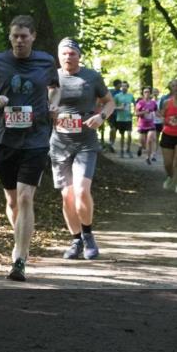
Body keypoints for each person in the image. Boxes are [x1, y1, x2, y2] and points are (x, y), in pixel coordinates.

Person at [0, 15, 58, 282]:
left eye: (24, 36)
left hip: (36, 139)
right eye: (15, 36)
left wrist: (53, 104)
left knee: (25, 198)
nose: (19, 40)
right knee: (12, 201)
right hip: (5, 140)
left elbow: (54, 88)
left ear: (33, 36)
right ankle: (21, 236)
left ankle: (19, 258)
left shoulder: (46, 61)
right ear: (10, 38)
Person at [49, 38, 113, 260]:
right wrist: (48, 112)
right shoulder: (50, 76)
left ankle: (88, 236)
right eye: (64, 53)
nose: (68, 57)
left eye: (72, 53)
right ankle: (76, 240)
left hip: (85, 142)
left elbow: (109, 102)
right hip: (59, 143)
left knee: (81, 190)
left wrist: (101, 116)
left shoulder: (91, 77)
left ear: (79, 56)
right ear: (59, 56)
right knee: (67, 195)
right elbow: (41, 104)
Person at [135, 87, 158, 163]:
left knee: (150, 140)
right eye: (145, 92)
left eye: (148, 92)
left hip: (151, 125)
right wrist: (144, 112)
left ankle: (148, 157)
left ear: (150, 93)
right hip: (142, 125)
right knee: (143, 142)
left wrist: (163, 117)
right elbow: (136, 113)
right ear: (143, 94)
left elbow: (157, 112)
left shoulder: (153, 103)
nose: (147, 93)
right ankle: (141, 147)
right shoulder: (140, 103)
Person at [113, 81, 135, 157]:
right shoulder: (117, 96)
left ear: (127, 87)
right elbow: (112, 107)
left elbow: (135, 105)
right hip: (120, 119)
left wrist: (133, 112)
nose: (124, 87)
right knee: (122, 136)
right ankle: (121, 151)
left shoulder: (130, 96)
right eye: (122, 86)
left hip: (128, 118)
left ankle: (128, 149)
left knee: (129, 134)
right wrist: (119, 108)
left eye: (125, 86)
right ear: (121, 87)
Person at [104, 79, 122, 153]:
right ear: (116, 85)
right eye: (120, 84)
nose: (121, 85)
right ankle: (111, 142)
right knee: (113, 128)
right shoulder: (110, 92)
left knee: (115, 130)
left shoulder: (121, 92)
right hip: (111, 113)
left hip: (119, 114)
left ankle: (112, 143)